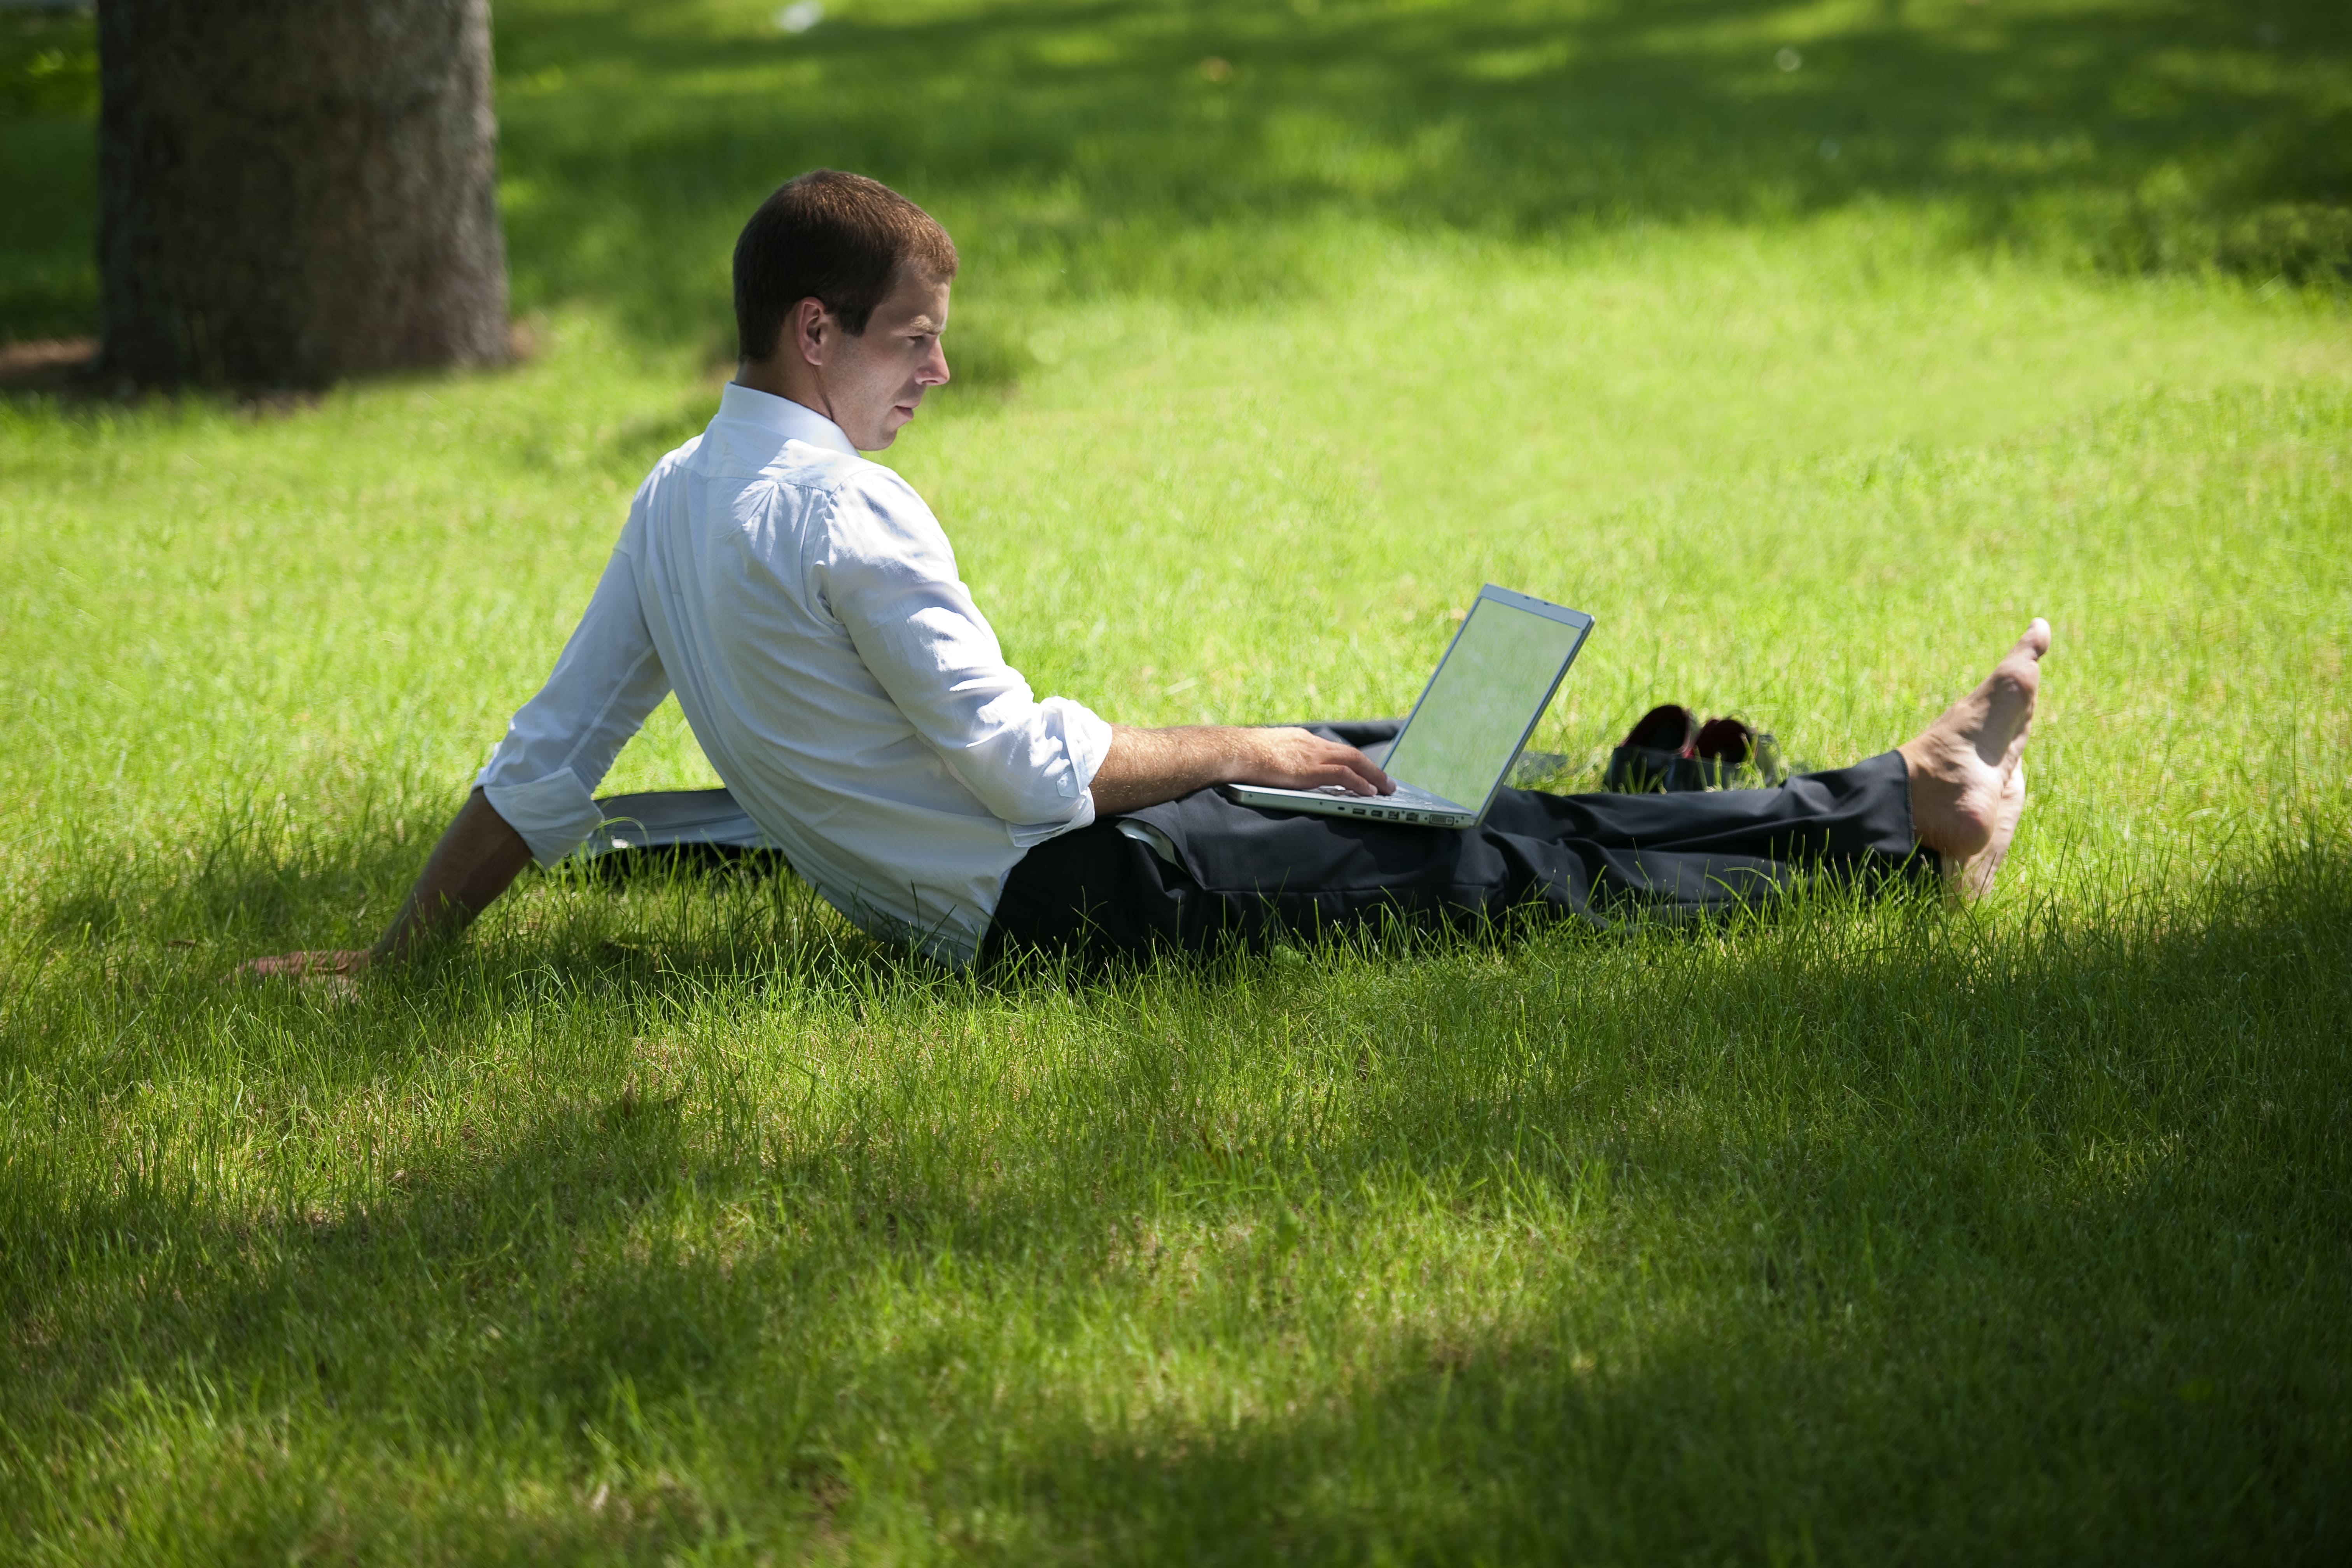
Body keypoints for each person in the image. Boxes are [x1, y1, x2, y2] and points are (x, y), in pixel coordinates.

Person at [248, 170, 2046, 978]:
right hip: (1076, 905)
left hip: (1020, 893)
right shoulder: (848, 517)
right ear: (817, 334)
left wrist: (396, 957)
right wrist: (1239, 746)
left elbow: (546, 759)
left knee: (1404, 762)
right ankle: (1904, 814)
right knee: (1501, 854)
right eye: (914, 343)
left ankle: (1768, 808)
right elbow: (1030, 775)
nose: (937, 376)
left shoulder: (670, 501)